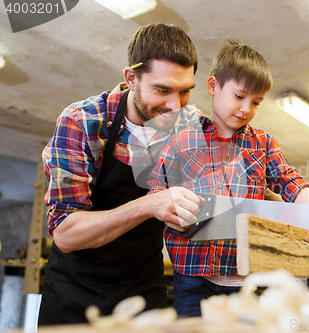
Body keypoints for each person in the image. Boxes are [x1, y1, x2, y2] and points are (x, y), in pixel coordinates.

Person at [148, 40, 309, 317]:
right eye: (239, 96)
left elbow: (292, 184)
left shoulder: (263, 145)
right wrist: (169, 210)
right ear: (213, 86)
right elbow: (156, 191)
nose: (245, 109)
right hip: (192, 277)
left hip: (247, 279)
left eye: (256, 102)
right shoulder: (181, 140)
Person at [38, 23, 205, 325]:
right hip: (75, 291)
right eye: (162, 90)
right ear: (131, 78)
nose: (174, 106)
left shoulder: (189, 124)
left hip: (143, 288)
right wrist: (149, 205)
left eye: (185, 92)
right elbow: (66, 234)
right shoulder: (82, 122)